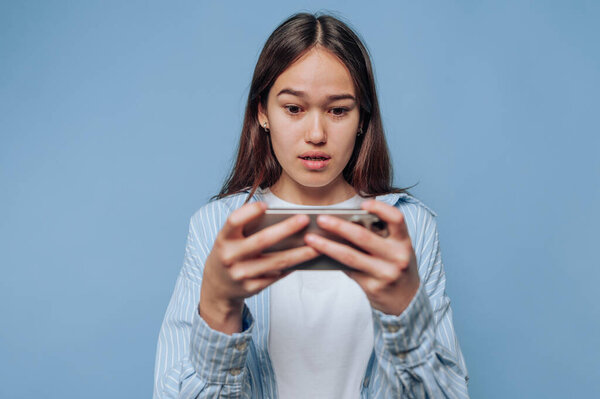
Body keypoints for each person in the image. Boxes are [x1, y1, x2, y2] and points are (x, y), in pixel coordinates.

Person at [153, 12, 469, 399]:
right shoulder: (218, 226)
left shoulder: (409, 225)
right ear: (262, 113)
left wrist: (405, 313)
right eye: (293, 108)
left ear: (361, 119)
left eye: (338, 110)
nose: (316, 134)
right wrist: (218, 312)